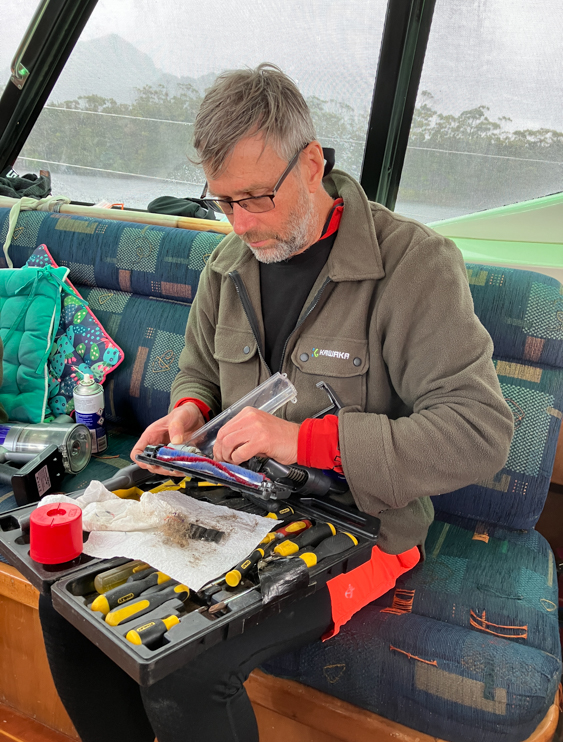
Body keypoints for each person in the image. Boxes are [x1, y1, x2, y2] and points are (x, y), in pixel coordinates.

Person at [39, 63, 513, 742]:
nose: (241, 225)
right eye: (223, 202)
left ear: (312, 163)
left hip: (359, 531)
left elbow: (477, 433)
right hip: (233, 505)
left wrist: (303, 441)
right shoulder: (227, 266)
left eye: (258, 197)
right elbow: (200, 372)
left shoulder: (415, 266)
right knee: (67, 605)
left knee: (183, 665)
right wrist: (188, 415)